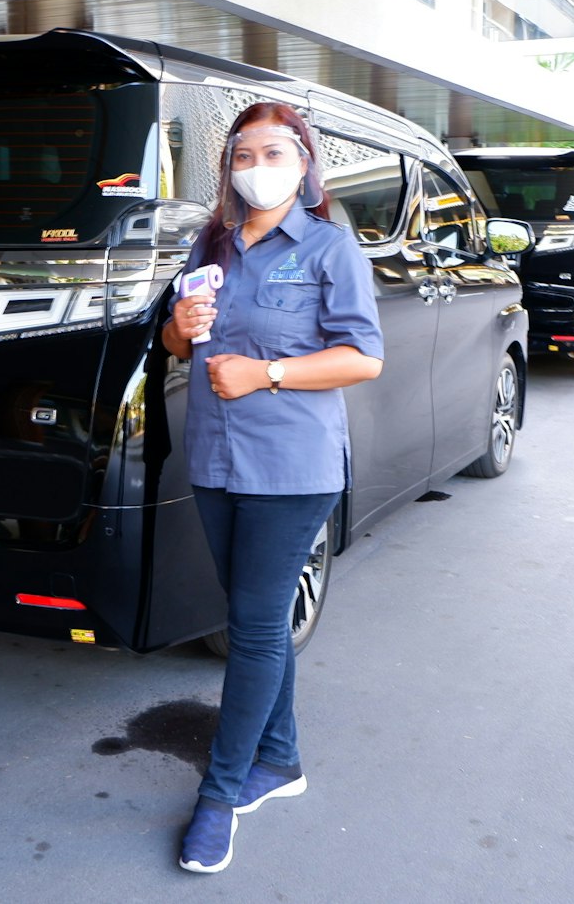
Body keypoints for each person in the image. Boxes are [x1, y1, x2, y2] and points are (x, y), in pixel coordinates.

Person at [159, 102, 384, 873]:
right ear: (229, 170)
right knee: (251, 616)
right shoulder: (212, 242)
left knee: (254, 625)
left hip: (292, 468)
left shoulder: (327, 247)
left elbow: (363, 357)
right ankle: (281, 758)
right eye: (243, 154)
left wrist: (269, 373)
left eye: (275, 152)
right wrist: (180, 323)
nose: (258, 166)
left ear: (304, 161)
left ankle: (221, 793)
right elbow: (174, 337)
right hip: (217, 458)